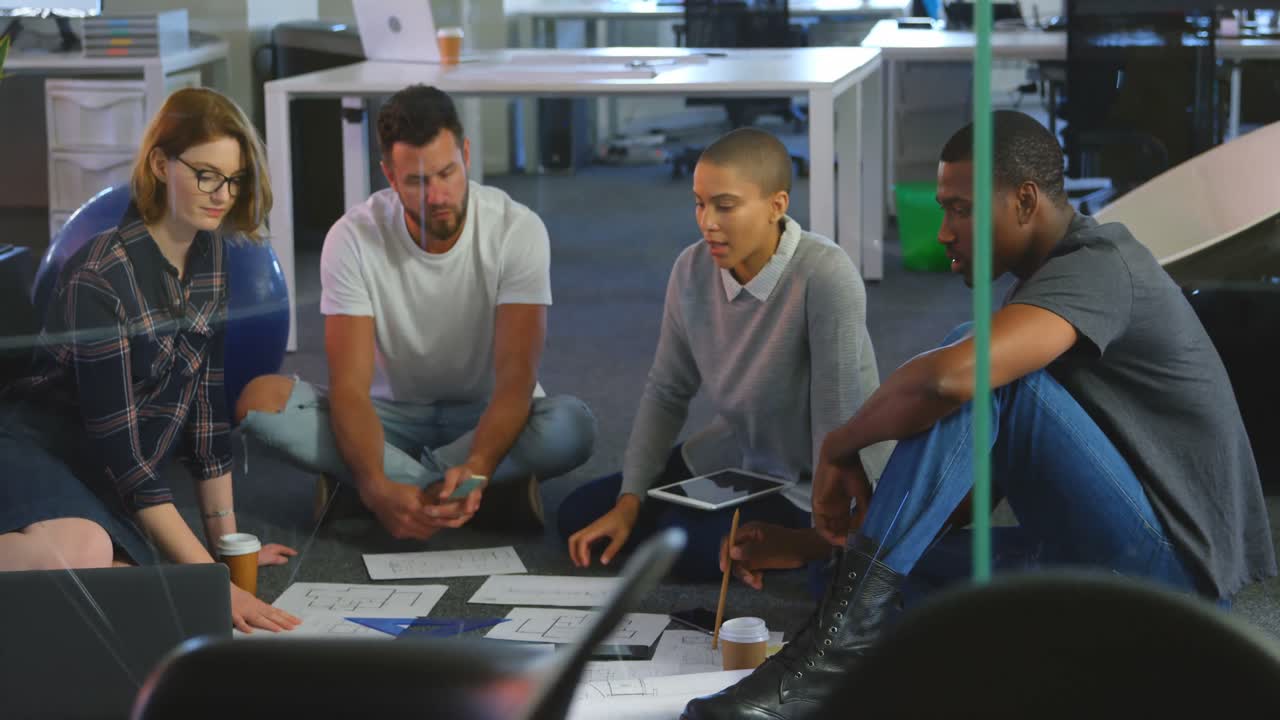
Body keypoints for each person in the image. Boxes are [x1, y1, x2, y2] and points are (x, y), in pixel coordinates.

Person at [682, 110, 1278, 719]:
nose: (944, 231)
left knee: (980, 365)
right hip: (1082, 549)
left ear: (1024, 201)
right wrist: (820, 541)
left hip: (1173, 578)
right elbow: (969, 478)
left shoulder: (1102, 265)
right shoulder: (1044, 287)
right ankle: (1053, 652)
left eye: (961, 209)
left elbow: (951, 379)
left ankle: (827, 666)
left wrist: (840, 445)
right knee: (850, 575)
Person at [0, 88, 302, 634]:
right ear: (161, 163)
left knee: (132, 603)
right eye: (206, 174)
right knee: (88, 549)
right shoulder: (101, 276)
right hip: (43, 455)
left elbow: (208, 418)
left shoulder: (211, 255)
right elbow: (129, 462)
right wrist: (215, 582)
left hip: (108, 481)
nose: (222, 195)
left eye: (232, 180)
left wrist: (229, 550)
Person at [235, 85, 595, 541]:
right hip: (386, 417)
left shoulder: (516, 229)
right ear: (389, 174)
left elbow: (515, 381)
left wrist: (478, 464)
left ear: (465, 154)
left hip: (484, 415)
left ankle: (387, 487)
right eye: (417, 182)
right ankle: (467, 492)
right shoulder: (352, 237)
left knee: (571, 425)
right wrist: (376, 483)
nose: (438, 195)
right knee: (259, 401)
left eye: (447, 173)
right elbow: (349, 389)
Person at [559, 127, 893, 581]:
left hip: (815, 478)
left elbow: (837, 422)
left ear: (777, 205)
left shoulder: (824, 274)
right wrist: (631, 499)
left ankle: (762, 541)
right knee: (581, 514)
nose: (707, 222)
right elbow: (666, 391)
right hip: (743, 453)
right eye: (699, 202)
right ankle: (686, 525)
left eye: (725, 205)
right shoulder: (692, 269)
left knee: (682, 546)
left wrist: (821, 531)